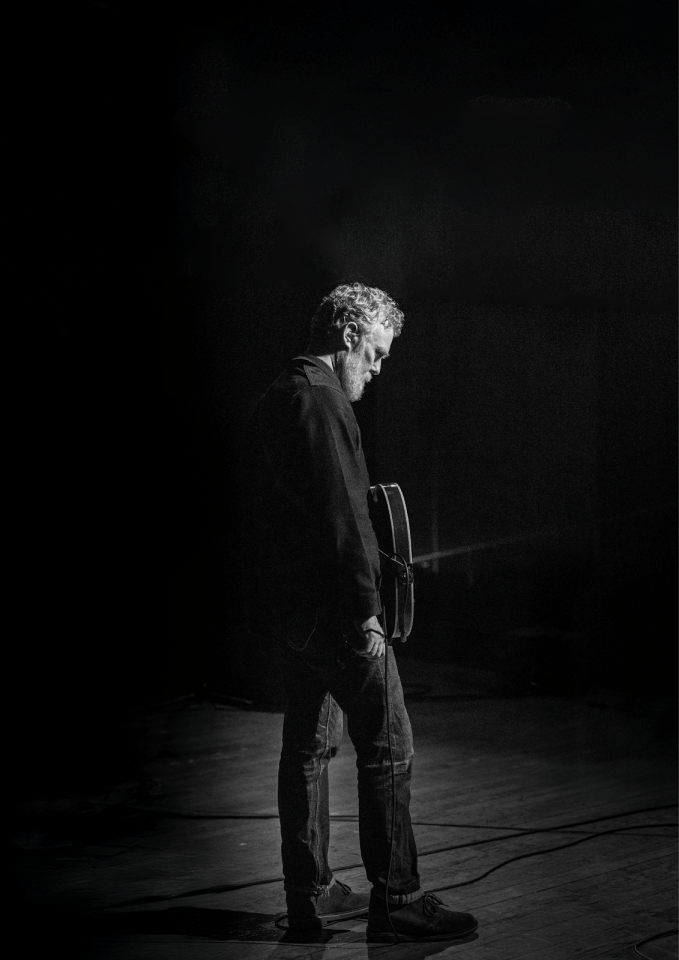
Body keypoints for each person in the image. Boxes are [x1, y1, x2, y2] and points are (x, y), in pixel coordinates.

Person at [244, 282, 478, 942]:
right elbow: (343, 516)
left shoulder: (276, 395)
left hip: (292, 614)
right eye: (373, 355)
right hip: (336, 614)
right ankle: (398, 900)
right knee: (389, 748)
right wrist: (367, 611)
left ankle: (310, 896)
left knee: (308, 750)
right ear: (347, 336)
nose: (374, 372)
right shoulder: (320, 401)